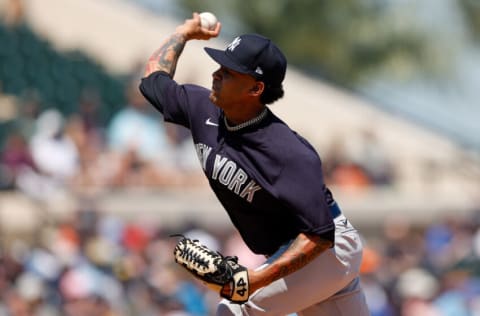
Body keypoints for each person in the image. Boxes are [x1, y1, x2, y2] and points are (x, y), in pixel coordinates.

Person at [139, 12, 370, 316]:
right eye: (220, 66)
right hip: (291, 252)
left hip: (327, 251)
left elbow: (319, 235)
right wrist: (183, 33)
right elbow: (153, 78)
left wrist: (256, 277)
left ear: (255, 89)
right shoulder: (200, 107)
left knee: (235, 309)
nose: (216, 74)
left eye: (230, 72)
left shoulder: (289, 152)